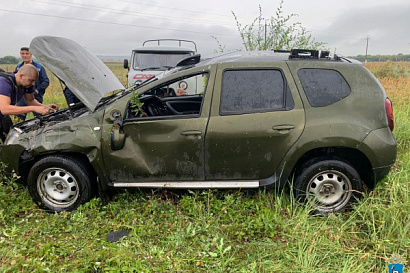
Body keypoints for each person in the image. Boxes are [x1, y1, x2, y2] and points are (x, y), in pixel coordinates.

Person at [0, 64, 59, 142]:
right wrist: (34, 108)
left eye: (35, 81)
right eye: (31, 80)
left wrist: (44, 106)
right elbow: (4, 109)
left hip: (2, 117)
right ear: (21, 75)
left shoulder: (27, 84)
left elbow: (30, 101)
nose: (33, 84)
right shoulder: (4, 83)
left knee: (11, 141)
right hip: (3, 111)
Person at [14, 46, 50, 120]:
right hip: (21, 96)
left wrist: (37, 90)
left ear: (31, 54)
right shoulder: (18, 67)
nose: (25, 56)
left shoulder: (39, 67)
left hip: (35, 96)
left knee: (40, 117)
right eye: (22, 54)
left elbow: (46, 81)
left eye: (27, 53)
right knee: (18, 118)